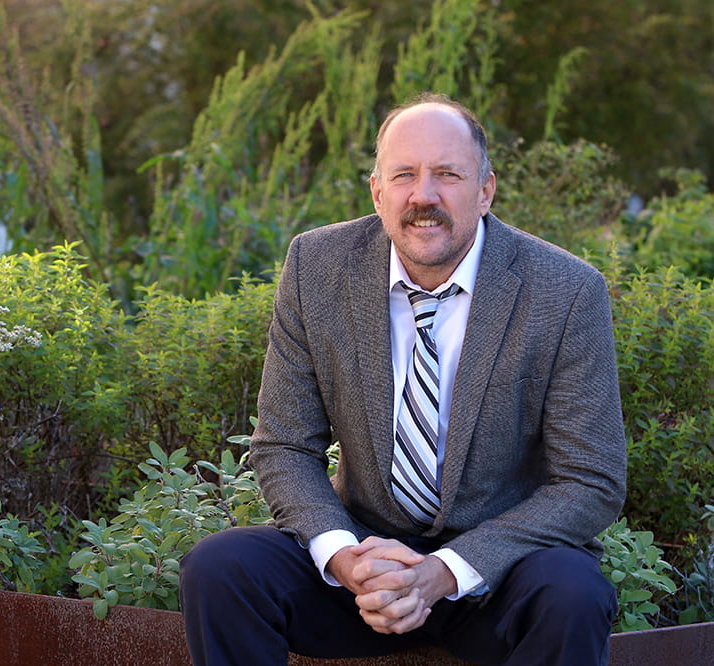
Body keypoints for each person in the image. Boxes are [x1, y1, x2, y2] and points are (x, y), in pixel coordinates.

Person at [178, 93, 626, 666]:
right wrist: (346, 558)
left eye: (447, 175)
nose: (424, 196)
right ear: (377, 191)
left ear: (486, 191)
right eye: (405, 176)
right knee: (221, 569)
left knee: (573, 591)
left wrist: (445, 572)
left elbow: (591, 479)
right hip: (363, 568)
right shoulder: (317, 266)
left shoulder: (563, 290)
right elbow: (284, 445)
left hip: (496, 574)